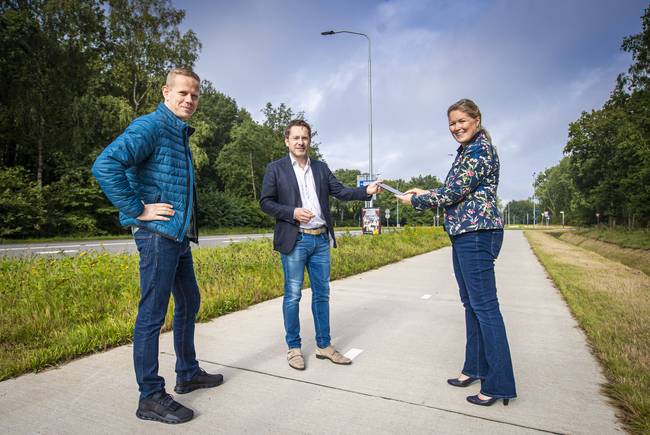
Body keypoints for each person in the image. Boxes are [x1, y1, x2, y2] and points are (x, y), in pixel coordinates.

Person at [92, 68, 223, 424]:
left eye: (195, 95)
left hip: (176, 236)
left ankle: (188, 371)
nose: (189, 100)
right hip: (156, 236)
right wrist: (137, 209)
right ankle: (150, 396)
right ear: (166, 92)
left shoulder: (178, 132)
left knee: (190, 301)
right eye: (182, 93)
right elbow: (105, 165)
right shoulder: (151, 126)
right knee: (152, 314)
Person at [398, 99, 516, 406]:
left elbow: (453, 193)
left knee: (485, 308)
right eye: (452, 123)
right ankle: (474, 368)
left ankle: (499, 383)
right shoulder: (467, 151)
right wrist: (424, 191)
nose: (457, 127)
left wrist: (419, 202)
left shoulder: (481, 150)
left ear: (476, 120)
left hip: (477, 234)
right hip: (465, 233)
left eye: (462, 120)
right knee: (471, 305)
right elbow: (457, 189)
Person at [260, 119, 381, 370]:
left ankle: (324, 346)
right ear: (287, 141)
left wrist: (366, 191)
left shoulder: (321, 168)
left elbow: (342, 192)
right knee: (292, 296)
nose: (301, 142)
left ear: (309, 141)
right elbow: (266, 203)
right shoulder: (276, 168)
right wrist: (292, 212)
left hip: (321, 240)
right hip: (295, 239)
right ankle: (293, 348)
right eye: (296, 138)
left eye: (305, 138)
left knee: (322, 294)